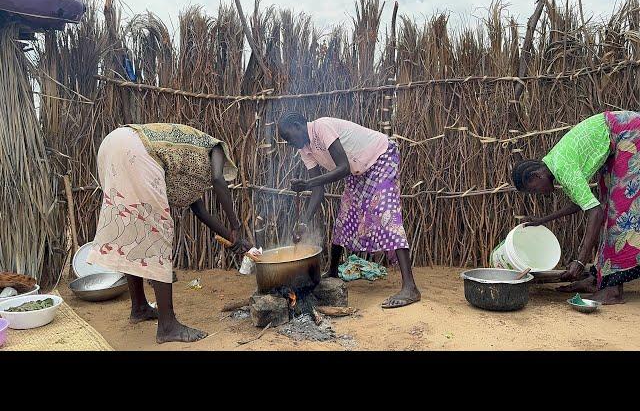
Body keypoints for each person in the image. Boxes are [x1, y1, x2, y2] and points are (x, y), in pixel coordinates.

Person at [86, 123, 249, 343]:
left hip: (113, 144)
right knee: (158, 232)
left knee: (136, 228)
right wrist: (236, 225)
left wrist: (232, 238)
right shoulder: (215, 147)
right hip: (136, 150)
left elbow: (199, 210)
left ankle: (140, 307)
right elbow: (219, 180)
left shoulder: (185, 160)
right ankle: (167, 325)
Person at [277, 112, 421, 308]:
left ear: (296, 125)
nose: (289, 143)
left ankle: (410, 287)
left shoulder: (321, 127)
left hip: (380, 156)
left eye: (288, 137)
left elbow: (343, 167)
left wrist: (307, 183)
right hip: (358, 169)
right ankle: (334, 272)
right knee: (344, 218)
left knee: (386, 214)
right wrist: (303, 222)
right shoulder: (305, 150)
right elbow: (318, 191)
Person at [511, 110, 640, 304]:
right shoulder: (554, 163)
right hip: (616, 139)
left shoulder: (562, 168)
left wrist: (580, 261)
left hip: (629, 132)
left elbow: (593, 212)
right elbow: (580, 204)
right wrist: (542, 220)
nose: (539, 194)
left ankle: (613, 290)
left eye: (534, 190)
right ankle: (599, 280)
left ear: (536, 176)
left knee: (618, 211)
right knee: (607, 205)